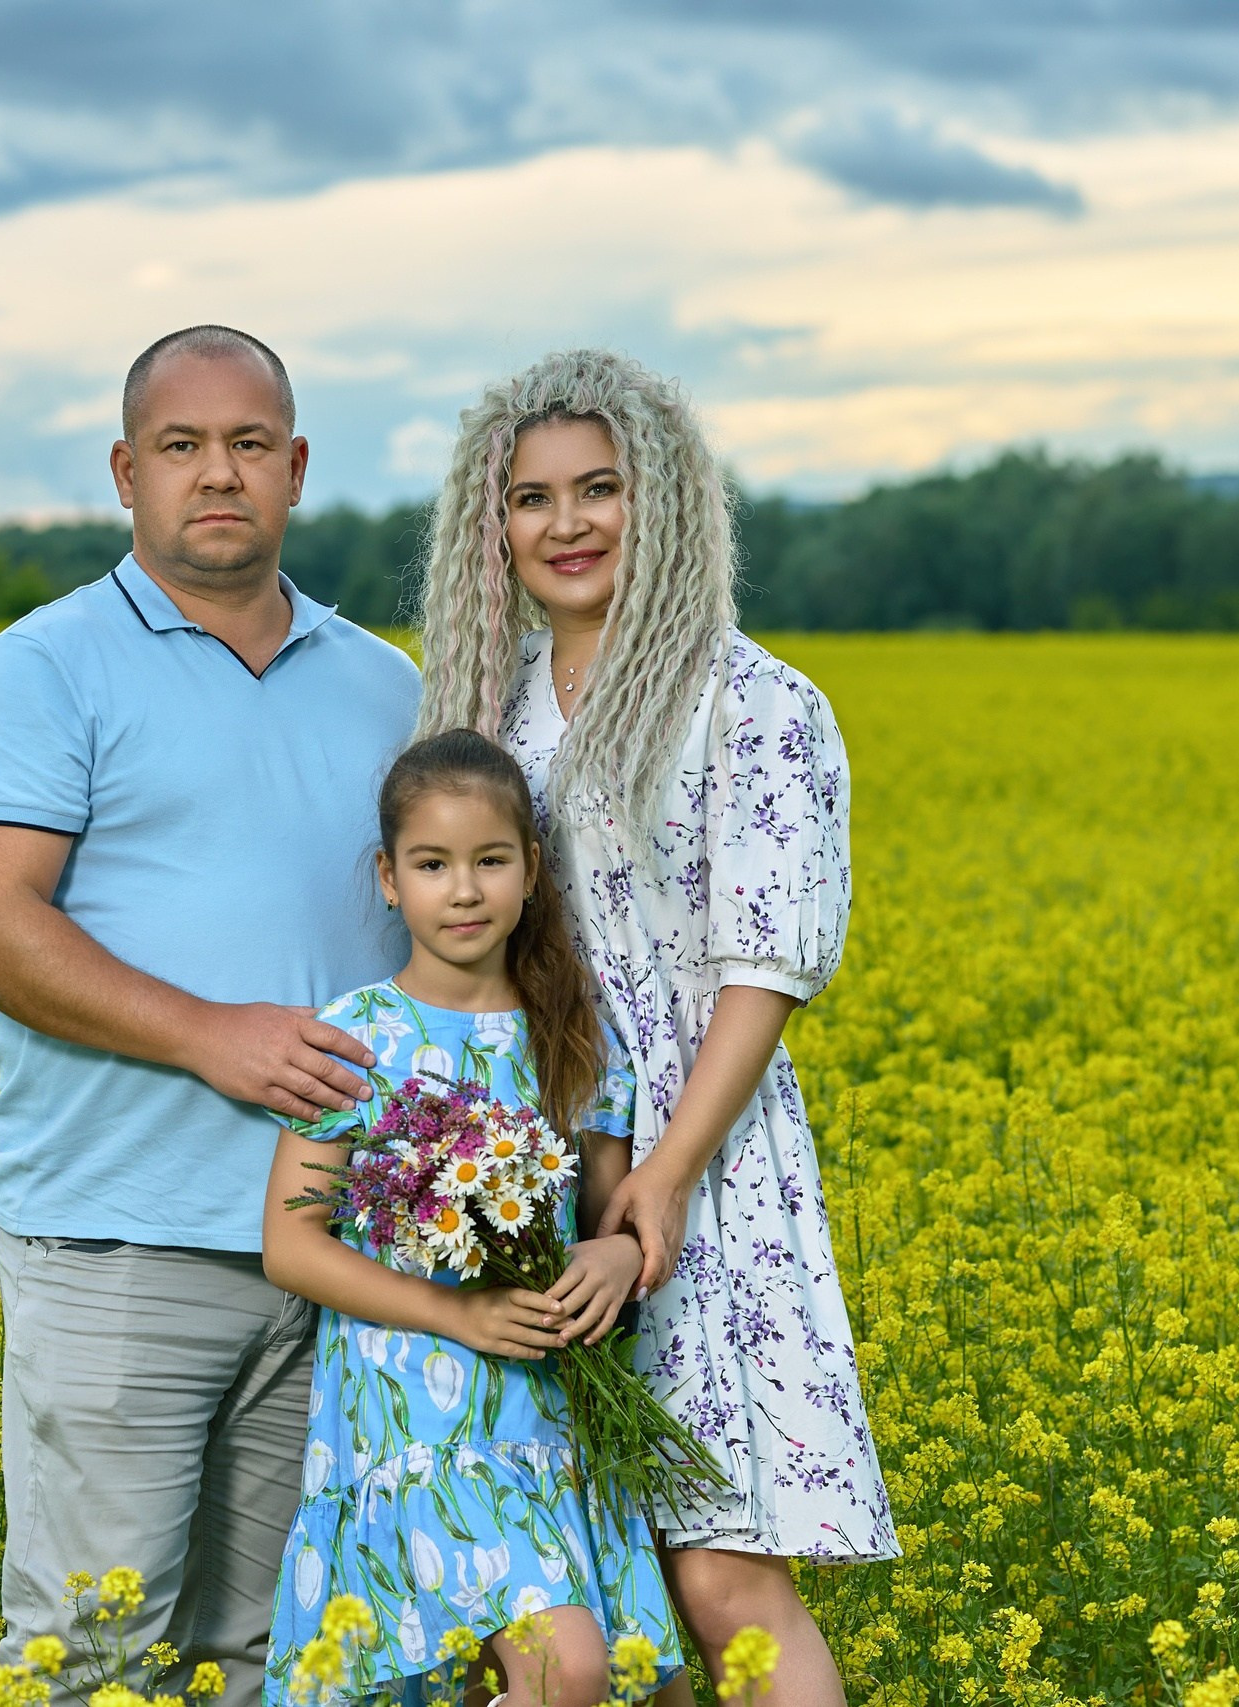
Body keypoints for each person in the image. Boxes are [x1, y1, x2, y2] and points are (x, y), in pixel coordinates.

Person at [0, 325, 422, 1705]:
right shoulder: (42, 666)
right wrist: (214, 1032)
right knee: (91, 1653)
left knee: (271, 1656)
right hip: (122, 1237)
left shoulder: (388, 686)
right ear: (126, 471)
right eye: (185, 447)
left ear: (298, 468)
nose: (220, 474)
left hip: (335, 1250)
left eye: (251, 444)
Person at [412, 350, 899, 1707]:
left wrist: (660, 1185)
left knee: (720, 1572)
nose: (566, 523)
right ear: (491, 526)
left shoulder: (754, 701)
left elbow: (766, 966)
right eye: (531, 497)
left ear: (664, 501)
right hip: (520, 1182)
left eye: (600, 488)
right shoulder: (485, 711)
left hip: (701, 1168)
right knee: (563, 1587)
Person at [259, 731, 684, 1707]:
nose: (463, 890)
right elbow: (289, 1244)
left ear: (530, 872)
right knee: (566, 1669)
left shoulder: (574, 1035)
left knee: (622, 1685)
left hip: (547, 1416)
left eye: (489, 861)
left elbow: (606, 1220)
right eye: (432, 864)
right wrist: (458, 1315)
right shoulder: (355, 1038)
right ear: (387, 878)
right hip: (413, 1416)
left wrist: (618, 1262)